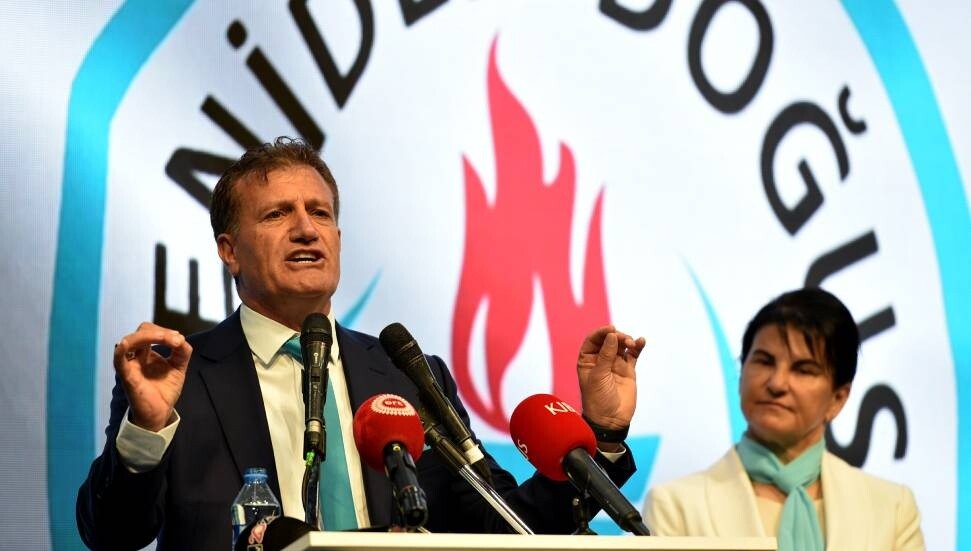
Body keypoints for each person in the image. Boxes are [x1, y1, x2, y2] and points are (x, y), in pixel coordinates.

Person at [77, 137, 645, 550]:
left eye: (320, 213)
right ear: (229, 251)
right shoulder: (180, 379)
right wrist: (145, 434)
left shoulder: (408, 376)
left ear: (338, 238)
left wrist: (602, 433)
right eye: (277, 214)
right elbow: (111, 534)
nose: (306, 229)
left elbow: (504, 528)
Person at [644, 288, 924, 550]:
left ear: (838, 398)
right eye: (764, 361)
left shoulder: (892, 509)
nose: (777, 383)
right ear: (741, 374)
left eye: (803, 370)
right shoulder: (676, 507)